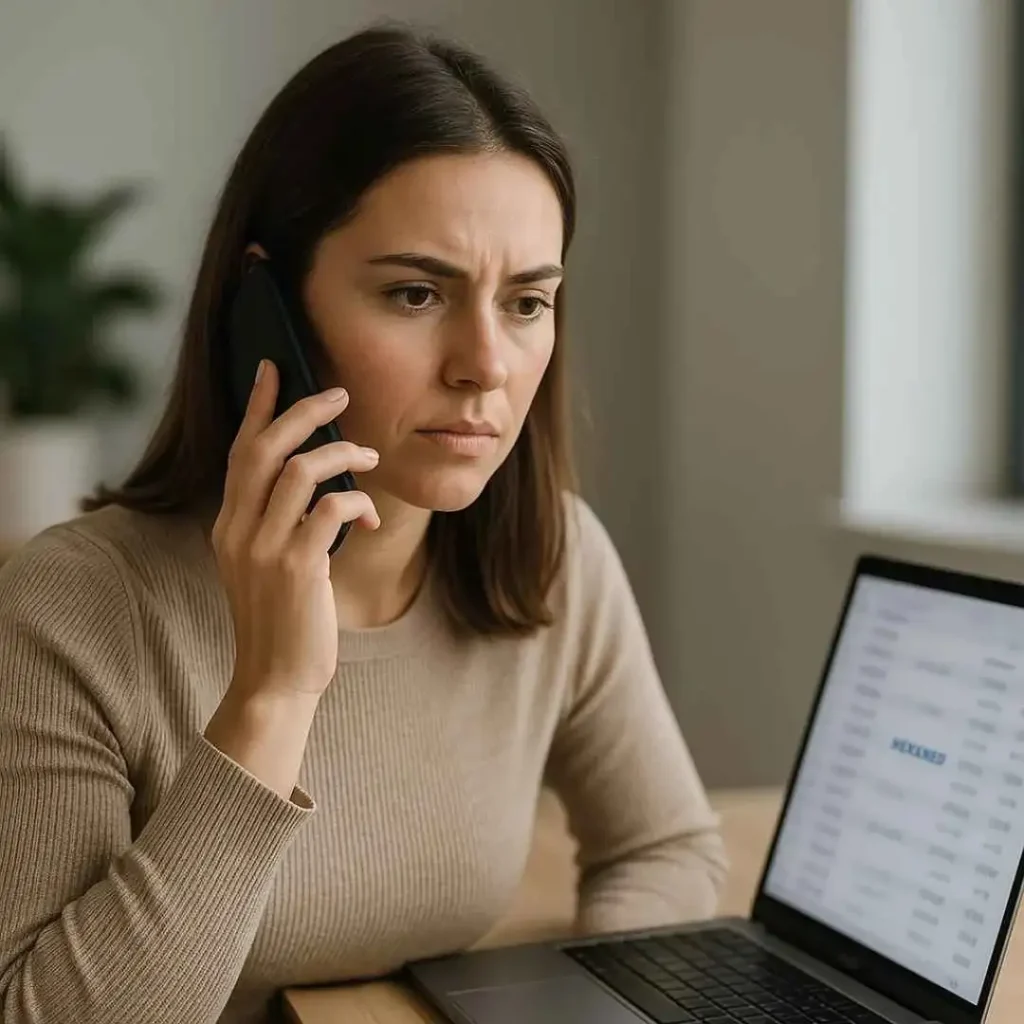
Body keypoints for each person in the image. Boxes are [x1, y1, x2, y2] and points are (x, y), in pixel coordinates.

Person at [0, 24, 726, 1024]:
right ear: (268, 305)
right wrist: (271, 693)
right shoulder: (72, 606)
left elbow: (665, 849)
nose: (486, 364)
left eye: (526, 302)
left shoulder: (552, 558)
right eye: (417, 293)